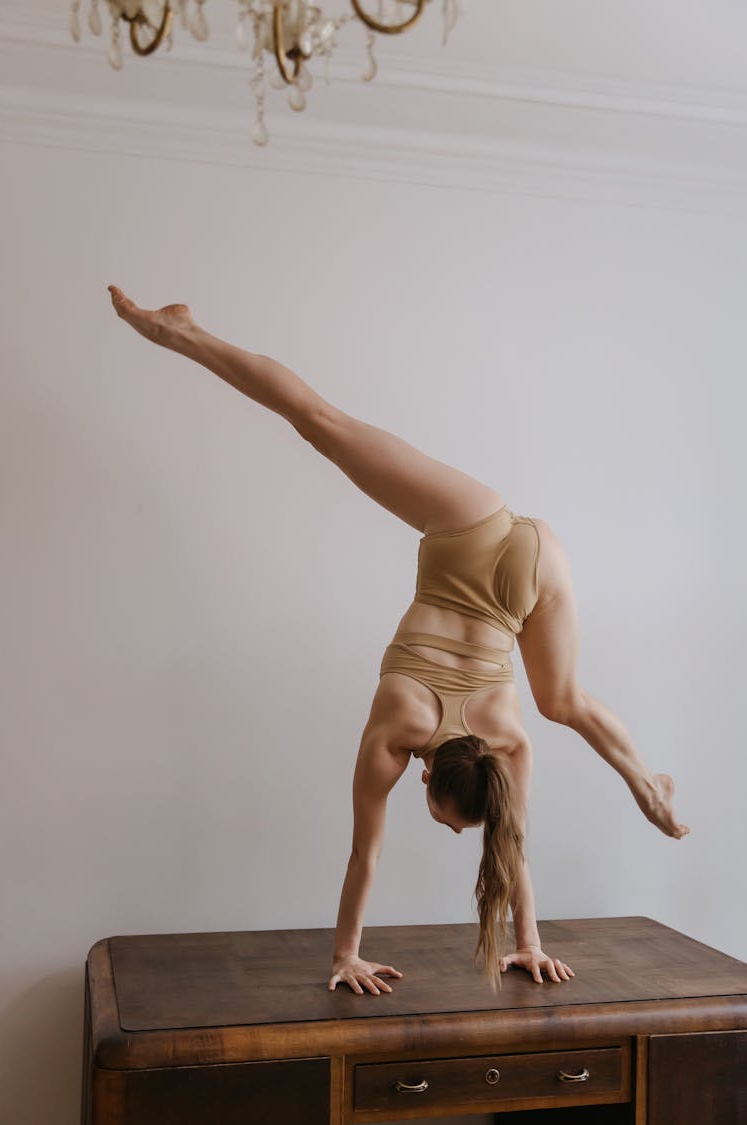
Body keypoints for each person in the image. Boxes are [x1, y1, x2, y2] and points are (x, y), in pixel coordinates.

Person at [108, 285, 690, 996]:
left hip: (527, 554)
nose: (448, 830)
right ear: (427, 778)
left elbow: (511, 847)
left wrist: (531, 942)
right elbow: (365, 855)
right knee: (320, 423)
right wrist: (343, 956)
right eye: (449, 822)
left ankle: (644, 781)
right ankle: (179, 333)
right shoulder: (396, 731)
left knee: (562, 702)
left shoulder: (508, 747)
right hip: (472, 546)